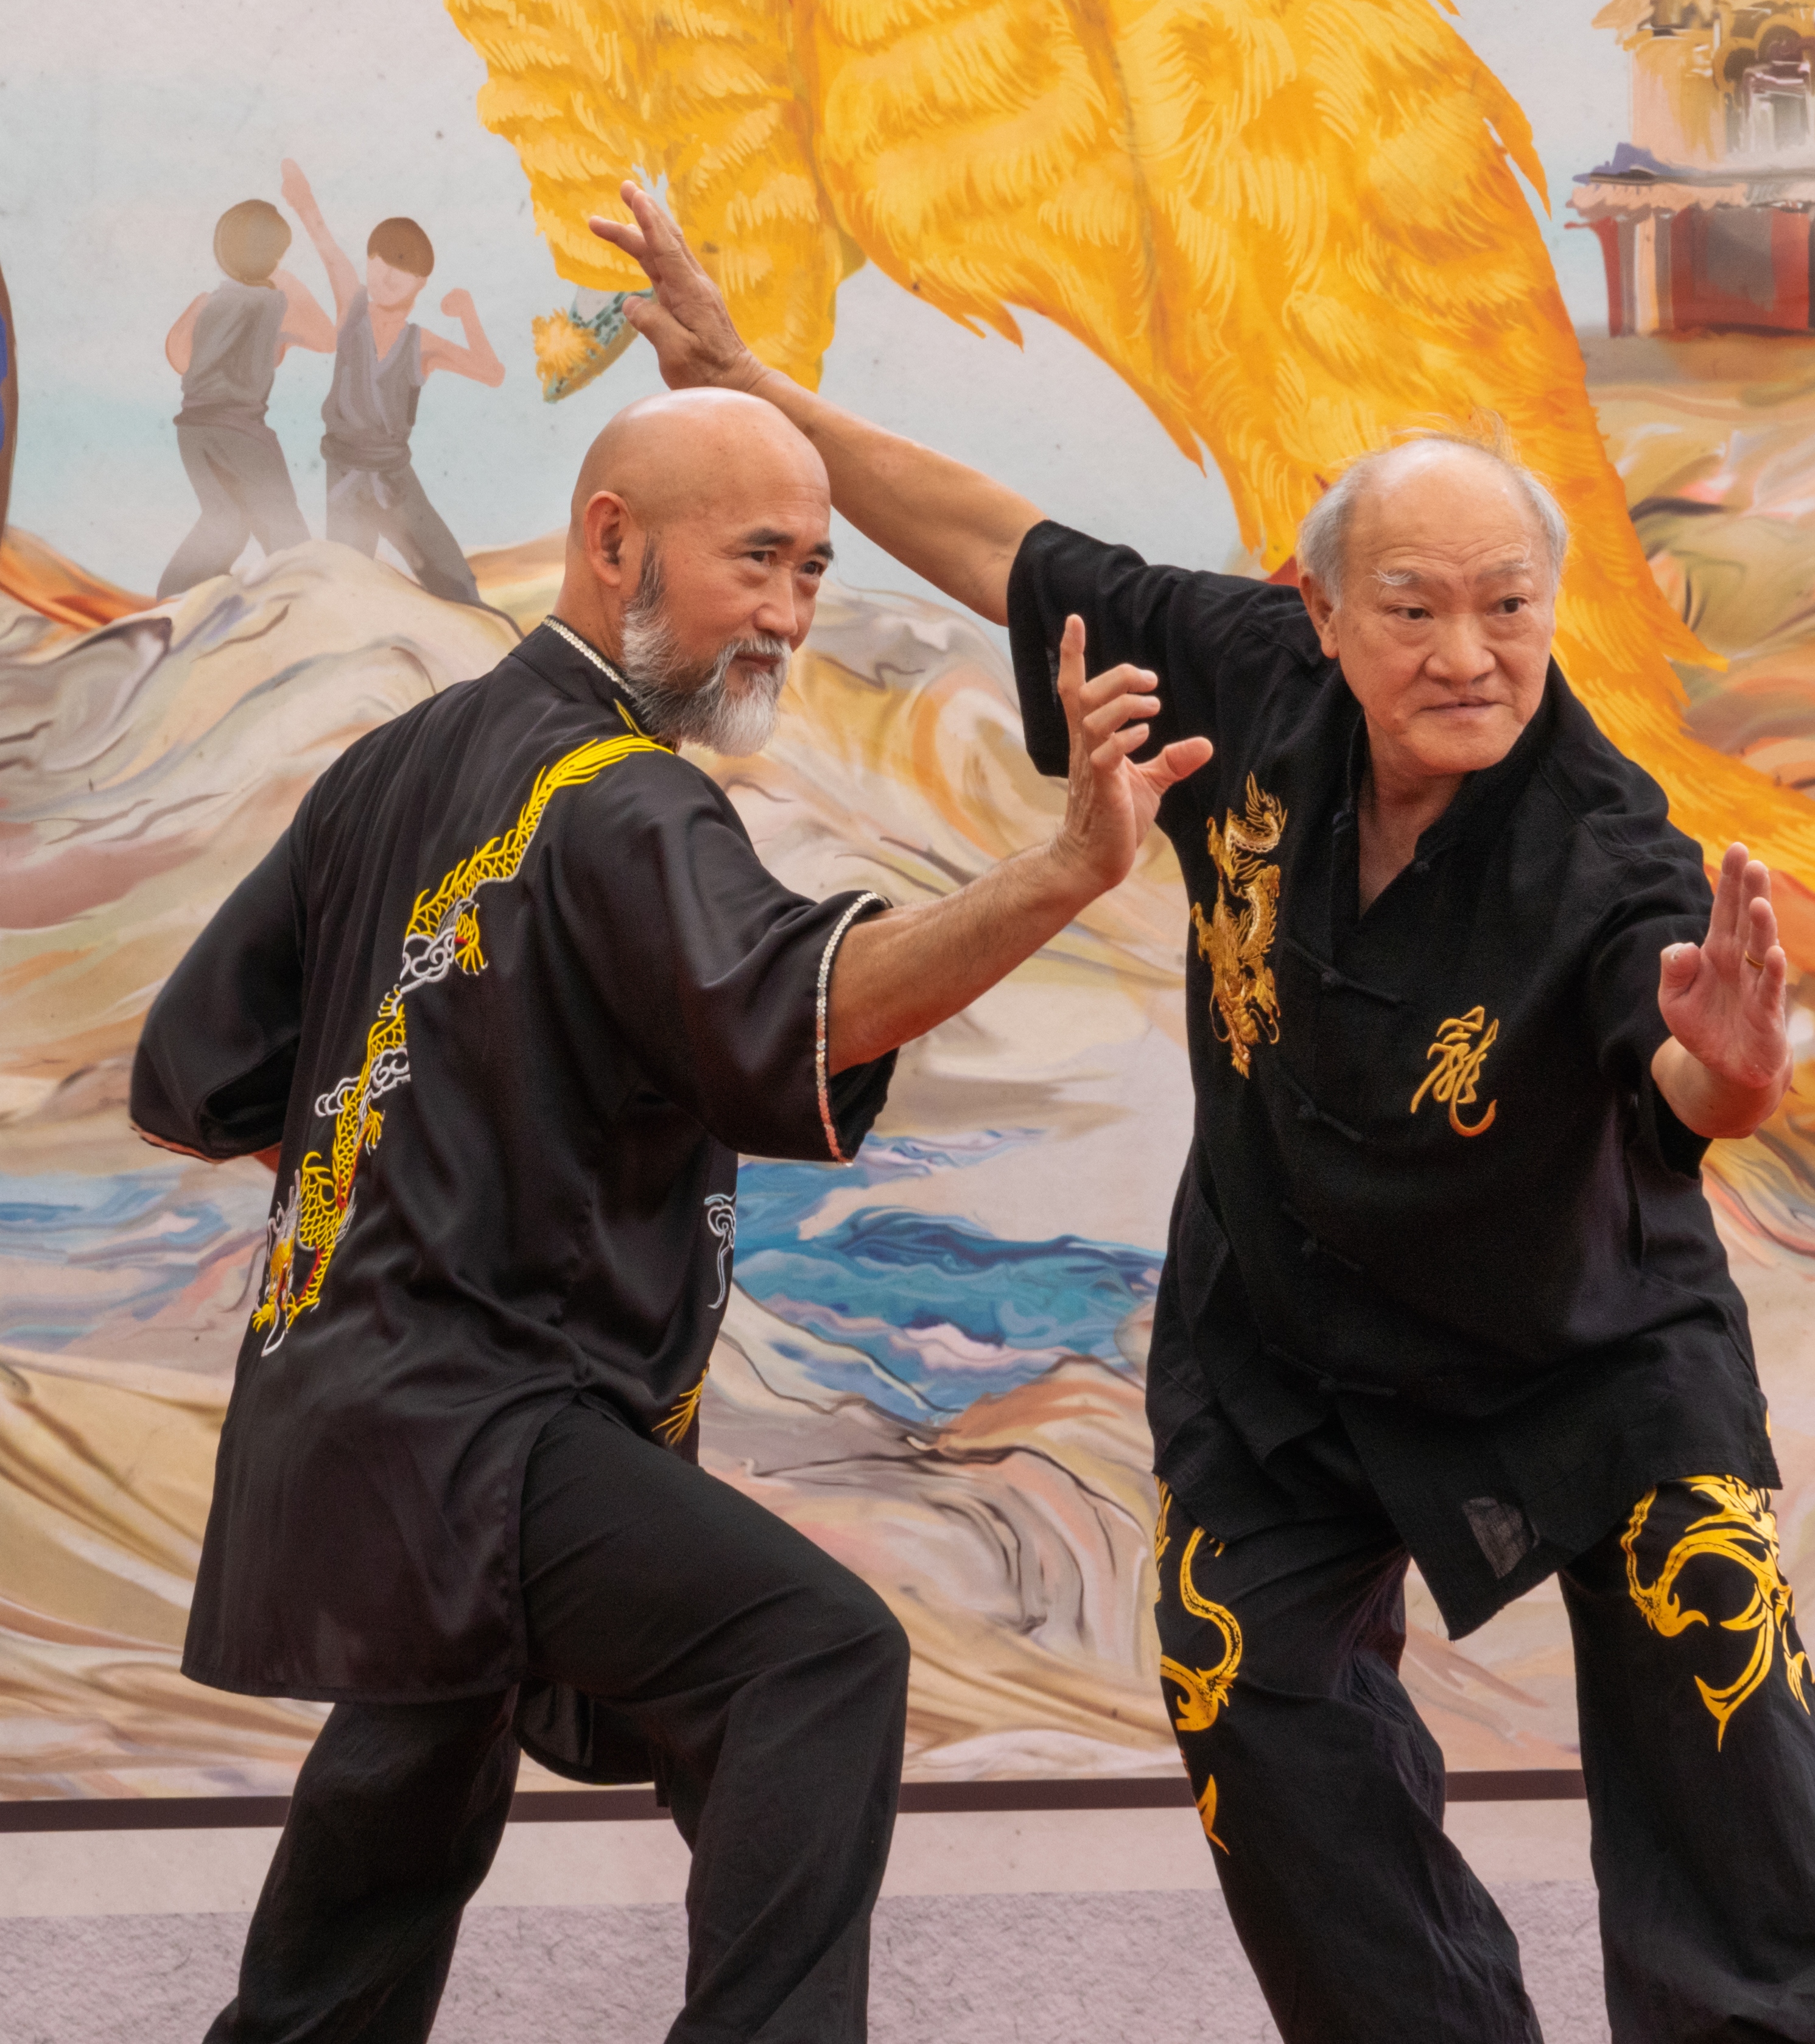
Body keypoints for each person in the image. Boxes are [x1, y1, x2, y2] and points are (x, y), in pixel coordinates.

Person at [592, 184, 1815, 2043]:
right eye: (1416, 608)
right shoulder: (1250, 678)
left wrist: (1739, 1062)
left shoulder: (1603, 846)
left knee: (1715, 1678)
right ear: (1320, 609)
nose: (1466, 655)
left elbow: (1685, 1071)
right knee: (1249, 1703)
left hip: (1582, 1352)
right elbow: (994, 540)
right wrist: (767, 399)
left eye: (1509, 609)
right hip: (1286, 1345)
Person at [130, 385, 1209, 2043]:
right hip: (486, 1413)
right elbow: (817, 997)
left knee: (398, 1807)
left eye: (815, 570)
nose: (789, 612)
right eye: (757, 559)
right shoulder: (625, 797)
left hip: (353, 1408)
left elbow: (197, 1071)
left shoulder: (393, 766)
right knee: (813, 1656)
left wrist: (402, 1191)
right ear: (612, 536)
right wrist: (1061, 871)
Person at [279, 158, 505, 607]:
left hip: (396, 481)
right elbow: (327, 249)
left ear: (420, 281)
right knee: (344, 592)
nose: (384, 274)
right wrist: (303, 204)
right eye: (378, 259)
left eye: (399, 267)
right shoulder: (352, 311)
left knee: (457, 585)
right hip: (344, 476)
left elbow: (490, 372)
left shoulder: (420, 344)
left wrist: (468, 313)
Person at [156, 198, 335, 600]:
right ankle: (309, 609)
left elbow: (179, 357)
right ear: (274, 256)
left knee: (225, 522)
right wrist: (288, 285)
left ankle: (171, 597)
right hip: (241, 433)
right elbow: (328, 338)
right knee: (286, 537)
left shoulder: (209, 302)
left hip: (194, 431)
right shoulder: (275, 302)